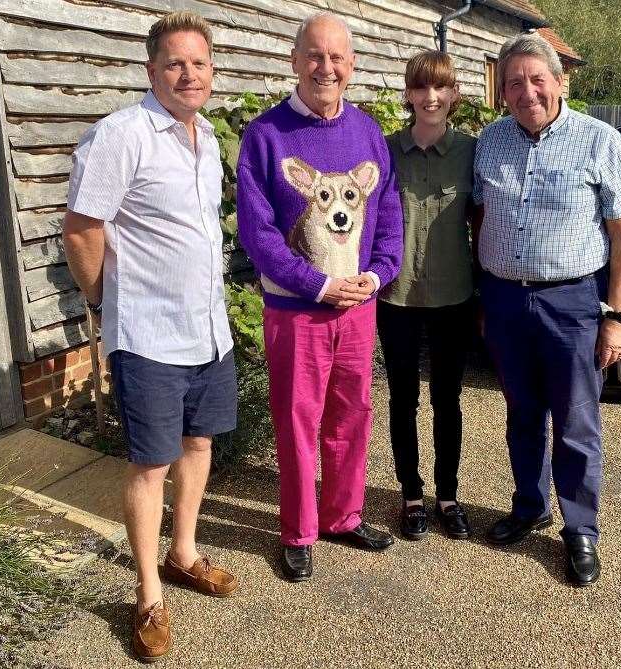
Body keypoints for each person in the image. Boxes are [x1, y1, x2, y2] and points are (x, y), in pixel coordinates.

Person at [63, 11, 238, 662]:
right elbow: (82, 227)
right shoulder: (121, 135)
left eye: (199, 63)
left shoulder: (207, 137)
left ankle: (183, 552)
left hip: (209, 330)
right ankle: (146, 594)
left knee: (198, 443)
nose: (188, 74)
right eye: (174, 63)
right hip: (149, 335)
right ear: (151, 70)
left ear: (211, 71)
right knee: (150, 464)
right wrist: (104, 300)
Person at [235, 12, 403, 582]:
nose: (325, 67)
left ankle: (342, 515)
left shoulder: (368, 133)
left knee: (352, 415)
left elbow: (388, 213)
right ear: (295, 61)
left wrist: (379, 274)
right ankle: (299, 530)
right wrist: (320, 284)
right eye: (314, 55)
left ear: (351, 65)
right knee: (297, 419)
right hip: (296, 310)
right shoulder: (266, 136)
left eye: (336, 57)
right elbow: (258, 235)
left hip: (358, 306)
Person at [473, 32, 621, 586]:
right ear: (502, 92)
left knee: (575, 421)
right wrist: (484, 293)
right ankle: (530, 505)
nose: (527, 92)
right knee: (521, 413)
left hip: (571, 301)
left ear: (561, 82)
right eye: (515, 82)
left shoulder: (601, 141)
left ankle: (580, 528)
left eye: (537, 79)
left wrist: (616, 317)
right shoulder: (489, 142)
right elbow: (478, 220)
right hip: (503, 297)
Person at [378, 51, 477, 541]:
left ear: (454, 93)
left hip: (454, 296)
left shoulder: (471, 152)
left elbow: (484, 220)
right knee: (402, 398)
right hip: (396, 295)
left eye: (440, 88)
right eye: (420, 88)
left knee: (448, 399)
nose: (430, 97)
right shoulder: (384, 150)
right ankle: (412, 494)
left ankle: (449, 494)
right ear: (408, 94)